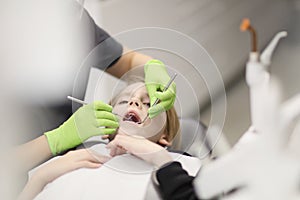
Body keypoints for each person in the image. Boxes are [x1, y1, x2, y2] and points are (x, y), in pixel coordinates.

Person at [18, 82, 183, 199]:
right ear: (107, 127)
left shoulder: (175, 167)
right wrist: (38, 179)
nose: (134, 102)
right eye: (124, 101)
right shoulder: (69, 160)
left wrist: (161, 159)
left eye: (148, 103)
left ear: (165, 136)